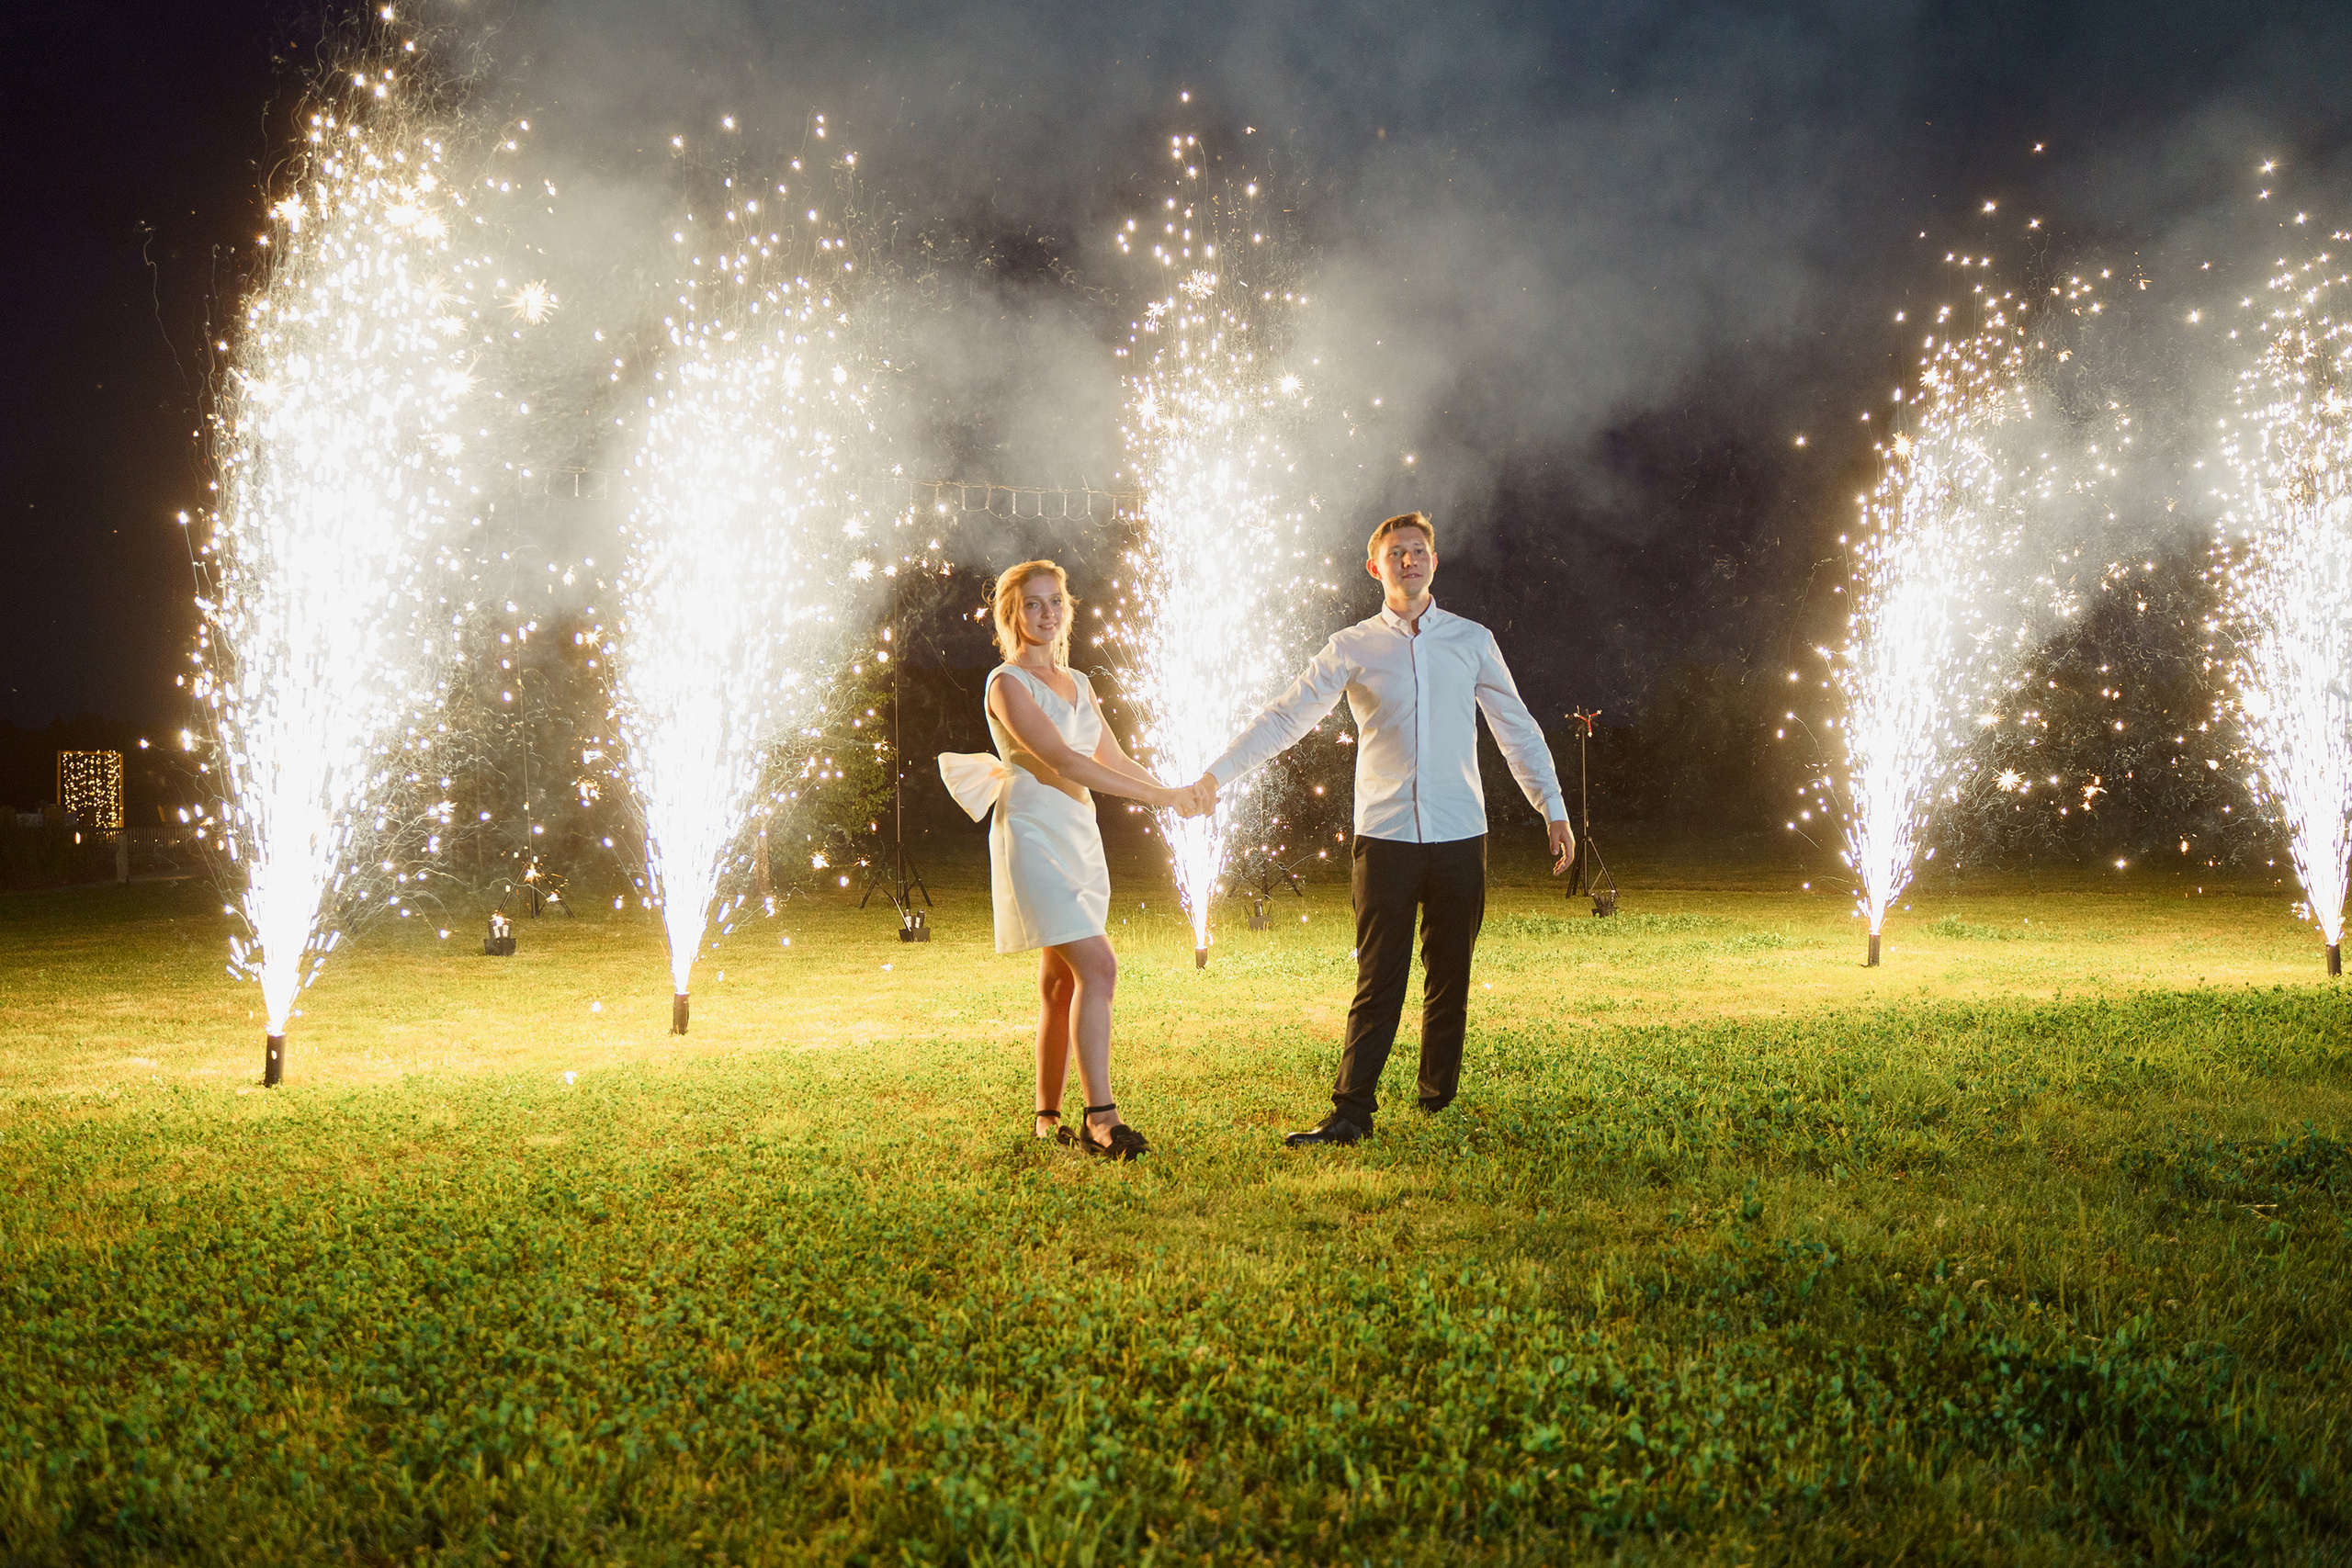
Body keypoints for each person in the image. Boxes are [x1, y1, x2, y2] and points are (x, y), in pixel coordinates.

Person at [1180, 513, 1573, 1145]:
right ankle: (1350, 1112)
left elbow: (1515, 726)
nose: (1409, 561)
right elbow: (1287, 717)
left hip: (1458, 836)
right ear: (1376, 567)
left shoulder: (1471, 640)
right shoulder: (1352, 645)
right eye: (1397, 553)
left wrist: (1551, 805)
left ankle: (1436, 1099)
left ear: (1434, 563)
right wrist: (1215, 776)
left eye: (1419, 551)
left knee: (1452, 972)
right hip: (1385, 837)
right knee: (1379, 977)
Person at [939, 560, 1197, 1161]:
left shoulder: (1078, 682)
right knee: (1098, 966)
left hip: (1079, 834)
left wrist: (1173, 792)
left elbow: (1114, 757)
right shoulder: (1006, 683)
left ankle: (1045, 1117)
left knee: (1059, 984)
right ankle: (1100, 1120)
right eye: (1032, 603)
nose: (1046, 612)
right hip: (1032, 833)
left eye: (1054, 601)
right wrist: (1159, 798)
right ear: (1012, 615)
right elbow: (1064, 761)